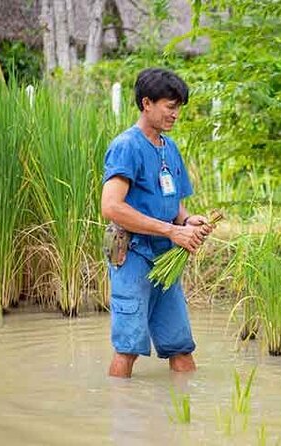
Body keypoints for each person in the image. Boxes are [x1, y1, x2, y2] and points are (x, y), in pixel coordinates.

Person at [101, 68, 212, 378]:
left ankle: (184, 419)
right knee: (129, 347)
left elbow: (173, 203)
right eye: (170, 106)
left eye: (178, 108)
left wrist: (188, 220)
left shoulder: (170, 149)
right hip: (133, 255)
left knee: (181, 346)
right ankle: (120, 414)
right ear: (147, 103)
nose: (175, 114)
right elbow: (111, 206)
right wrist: (171, 230)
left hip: (166, 258)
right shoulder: (127, 146)